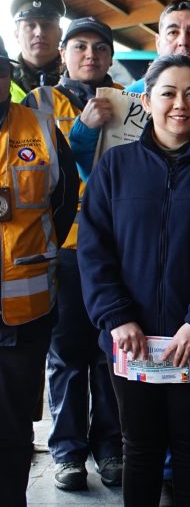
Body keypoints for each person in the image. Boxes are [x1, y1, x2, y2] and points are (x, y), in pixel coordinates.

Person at [78, 54, 190, 506]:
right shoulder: (115, 168)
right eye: (169, 93)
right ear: (147, 100)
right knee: (140, 449)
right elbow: (94, 249)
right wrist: (117, 318)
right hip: (131, 341)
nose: (181, 104)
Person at [23, 17, 123, 491]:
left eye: (100, 48)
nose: (90, 55)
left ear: (110, 56)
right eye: (79, 46)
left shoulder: (128, 100)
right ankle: (67, 452)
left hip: (115, 249)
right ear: (62, 53)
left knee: (110, 353)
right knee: (65, 357)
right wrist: (82, 129)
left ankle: (110, 446)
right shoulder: (38, 103)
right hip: (61, 250)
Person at [0, 34, 79, 507]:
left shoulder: (42, 128)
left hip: (24, 312)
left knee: (11, 429)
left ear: (6, 75)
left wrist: (35, 253)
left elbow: (64, 202)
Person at [9, 0, 65, 103]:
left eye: (47, 25)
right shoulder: (4, 78)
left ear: (60, 33)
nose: (39, 33)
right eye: (30, 25)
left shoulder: (78, 77)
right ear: (17, 35)